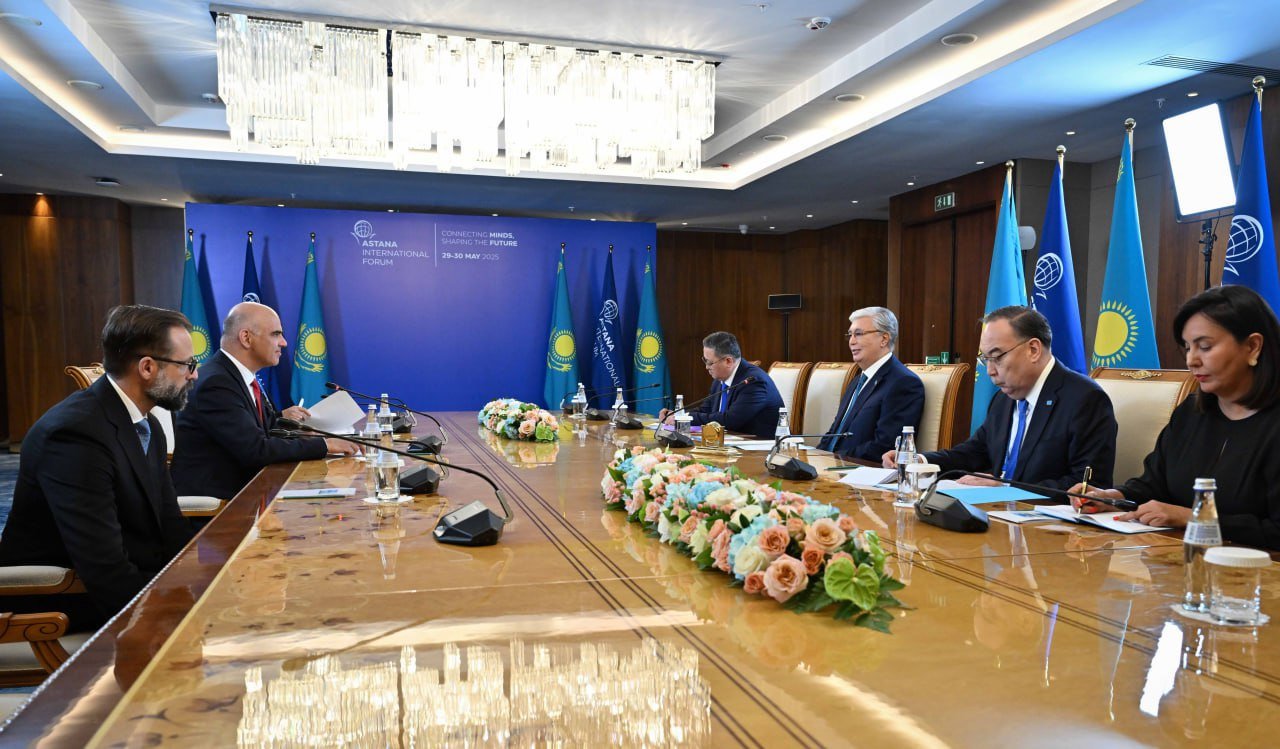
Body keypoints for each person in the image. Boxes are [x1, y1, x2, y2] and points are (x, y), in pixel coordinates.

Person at [0, 306, 198, 630]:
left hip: (128, 580)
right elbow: (104, 570)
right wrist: (183, 605)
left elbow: (169, 524)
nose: (193, 375)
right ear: (147, 367)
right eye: (187, 365)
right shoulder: (75, 434)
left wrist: (209, 578)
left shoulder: (148, 425)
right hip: (62, 601)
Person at [1072, 285, 1280, 550]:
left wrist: (1192, 518)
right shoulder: (1190, 413)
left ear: (1252, 346)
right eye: (1188, 348)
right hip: (1176, 559)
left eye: (1205, 347)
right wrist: (1111, 497)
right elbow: (1153, 485)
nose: (1192, 360)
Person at [883, 305, 1116, 490]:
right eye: (985, 359)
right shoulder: (1004, 399)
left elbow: (1087, 485)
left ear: (1033, 349)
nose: (990, 371)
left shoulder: (1084, 399)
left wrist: (1006, 488)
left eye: (997, 357)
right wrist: (918, 460)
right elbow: (975, 452)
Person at [171, 302, 356, 500]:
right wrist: (324, 445)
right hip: (221, 505)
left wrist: (310, 436)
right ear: (246, 338)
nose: (284, 343)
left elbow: (269, 429)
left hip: (252, 492)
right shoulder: (216, 383)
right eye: (276, 334)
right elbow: (256, 449)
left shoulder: (238, 377)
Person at [819, 306, 924, 460]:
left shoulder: (904, 383)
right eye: (850, 335)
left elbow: (884, 446)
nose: (852, 341)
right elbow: (835, 433)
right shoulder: (858, 380)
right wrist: (813, 456)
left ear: (884, 339)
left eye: (859, 334)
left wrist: (833, 459)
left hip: (858, 468)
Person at [658, 331, 784, 438]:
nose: (706, 367)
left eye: (710, 362)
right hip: (728, 443)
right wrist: (677, 415)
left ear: (728, 361)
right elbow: (705, 410)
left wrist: (684, 418)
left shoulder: (754, 381)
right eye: (704, 361)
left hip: (757, 448)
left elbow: (730, 420)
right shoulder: (721, 379)